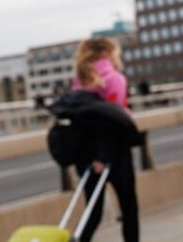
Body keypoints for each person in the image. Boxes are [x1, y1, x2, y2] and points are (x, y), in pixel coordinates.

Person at [70, 37, 139, 242]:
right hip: (114, 153)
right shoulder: (114, 79)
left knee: (93, 212)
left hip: (85, 154)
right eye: (117, 54)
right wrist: (103, 155)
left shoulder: (79, 80)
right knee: (129, 208)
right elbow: (114, 122)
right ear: (107, 54)